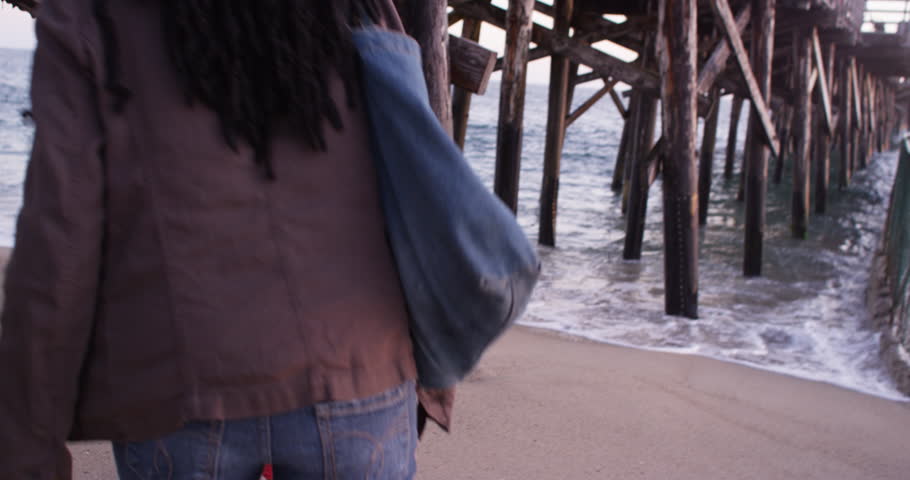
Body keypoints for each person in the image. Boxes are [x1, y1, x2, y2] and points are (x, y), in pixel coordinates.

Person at [0, 0, 450, 478]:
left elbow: (58, 245)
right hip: (359, 372)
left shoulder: (91, 14)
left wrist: (30, 444)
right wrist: (436, 376)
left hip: (180, 385)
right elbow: (417, 180)